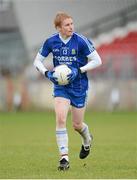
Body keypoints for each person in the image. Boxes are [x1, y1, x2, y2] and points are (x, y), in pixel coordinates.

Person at [34, 12, 102, 171]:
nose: (71, 27)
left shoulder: (81, 41)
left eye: (72, 23)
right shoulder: (51, 41)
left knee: (77, 125)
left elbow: (98, 60)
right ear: (59, 28)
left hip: (78, 86)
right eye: (67, 25)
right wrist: (46, 73)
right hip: (61, 86)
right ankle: (64, 158)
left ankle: (87, 140)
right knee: (60, 118)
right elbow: (37, 61)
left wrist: (80, 70)